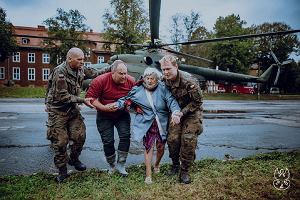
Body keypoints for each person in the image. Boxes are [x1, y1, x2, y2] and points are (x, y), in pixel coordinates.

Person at [115, 67, 181, 184]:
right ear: (144, 78)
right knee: (148, 147)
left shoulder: (163, 88)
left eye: (152, 79)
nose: (150, 81)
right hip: (147, 123)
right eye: (147, 78)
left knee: (160, 147)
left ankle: (156, 164)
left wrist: (176, 112)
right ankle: (148, 174)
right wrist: (116, 105)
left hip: (161, 122)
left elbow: (171, 101)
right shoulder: (137, 89)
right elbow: (125, 99)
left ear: (157, 79)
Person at [45, 47, 99, 183]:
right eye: (79, 59)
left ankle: (74, 159)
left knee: (80, 136)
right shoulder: (60, 72)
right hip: (58, 110)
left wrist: (112, 69)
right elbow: (63, 96)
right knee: (61, 141)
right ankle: (62, 171)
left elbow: (95, 73)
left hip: (72, 109)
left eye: (83, 59)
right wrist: (83, 100)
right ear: (70, 59)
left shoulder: (80, 69)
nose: (82, 62)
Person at [85, 60, 135, 176]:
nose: (124, 76)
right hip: (104, 114)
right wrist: (104, 107)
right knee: (108, 141)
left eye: (125, 73)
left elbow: (135, 96)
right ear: (112, 72)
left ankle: (121, 165)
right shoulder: (100, 80)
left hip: (122, 114)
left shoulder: (131, 81)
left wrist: (127, 104)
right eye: (120, 73)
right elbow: (90, 98)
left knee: (125, 136)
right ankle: (112, 166)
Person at [159, 55, 203, 184]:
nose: (166, 72)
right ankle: (175, 165)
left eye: (168, 69)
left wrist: (181, 113)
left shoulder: (189, 81)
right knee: (172, 139)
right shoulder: (164, 80)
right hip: (175, 112)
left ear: (176, 67)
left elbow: (198, 101)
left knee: (188, 138)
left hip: (191, 111)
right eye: (163, 69)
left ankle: (185, 170)